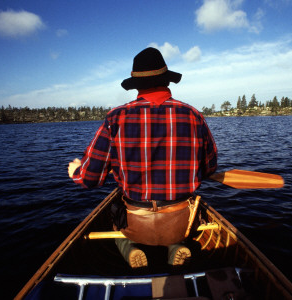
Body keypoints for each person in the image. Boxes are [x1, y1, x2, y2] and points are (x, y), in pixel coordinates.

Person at [68, 47, 217, 268]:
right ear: (167, 81)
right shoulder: (194, 115)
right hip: (179, 222)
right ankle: (175, 246)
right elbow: (209, 168)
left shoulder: (116, 117)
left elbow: (90, 179)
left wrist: (77, 172)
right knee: (178, 225)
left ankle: (130, 249)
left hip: (136, 223)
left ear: (136, 86)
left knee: (114, 219)